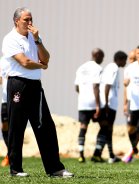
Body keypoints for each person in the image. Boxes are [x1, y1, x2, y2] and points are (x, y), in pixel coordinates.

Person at [1, 7, 73, 177]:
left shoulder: (35, 37)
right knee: (16, 127)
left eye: (31, 19)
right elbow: (24, 62)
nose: (30, 23)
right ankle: (16, 169)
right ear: (16, 21)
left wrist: (38, 40)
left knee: (46, 126)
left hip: (35, 86)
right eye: (26, 19)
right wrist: (42, 66)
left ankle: (55, 168)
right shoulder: (10, 39)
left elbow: (46, 57)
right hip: (18, 84)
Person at [92, 51, 127, 164]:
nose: (125, 62)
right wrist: (106, 104)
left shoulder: (110, 67)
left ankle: (108, 155)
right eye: (124, 60)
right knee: (107, 129)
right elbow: (107, 85)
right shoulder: (114, 68)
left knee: (107, 129)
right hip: (109, 104)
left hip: (109, 103)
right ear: (120, 59)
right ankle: (100, 154)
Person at [74, 48, 104, 163]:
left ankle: (81, 155)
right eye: (102, 57)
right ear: (97, 55)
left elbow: (76, 87)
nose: (102, 59)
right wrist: (97, 105)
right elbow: (96, 86)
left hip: (82, 102)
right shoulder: (98, 68)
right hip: (93, 102)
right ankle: (96, 153)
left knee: (83, 127)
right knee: (104, 126)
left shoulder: (80, 68)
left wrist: (83, 94)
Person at [0, 57, 9, 167]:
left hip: (17, 98)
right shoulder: (2, 60)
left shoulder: (22, 57)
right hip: (5, 99)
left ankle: (12, 154)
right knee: (5, 127)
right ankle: (10, 153)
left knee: (15, 127)